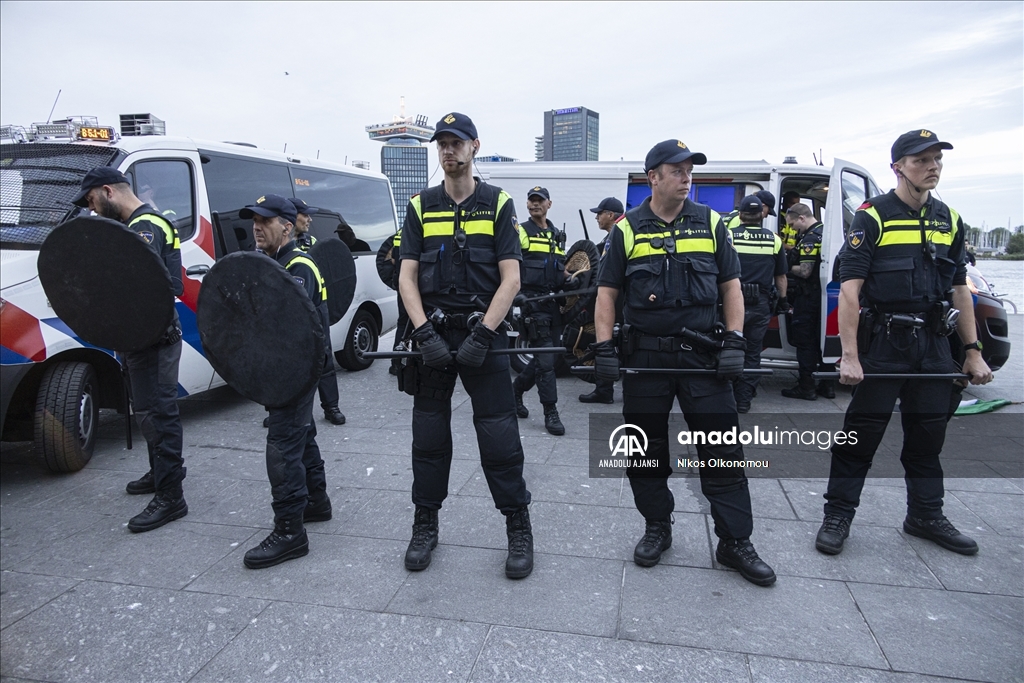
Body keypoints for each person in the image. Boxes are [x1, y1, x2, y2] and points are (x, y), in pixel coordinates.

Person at [593, 140, 776, 587]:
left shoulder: (712, 223)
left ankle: (734, 541)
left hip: (703, 359)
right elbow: (607, 294)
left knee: (722, 451)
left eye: (689, 169)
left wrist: (734, 340)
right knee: (645, 452)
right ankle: (658, 527)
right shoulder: (627, 229)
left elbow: (731, 286)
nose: (686, 176)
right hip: (646, 359)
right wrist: (602, 350)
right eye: (676, 170)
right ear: (652, 176)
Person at [815, 129, 993, 556]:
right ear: (898, 167)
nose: (932, 167)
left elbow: (960, 290)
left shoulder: (949, 219)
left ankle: (925, 515)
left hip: (932, 345)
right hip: (885, 345)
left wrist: (972, 351)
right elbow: (851, 291)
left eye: (937, 160)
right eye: (921, 160)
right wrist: (850, 357)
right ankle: (838, 515)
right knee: (860, 437)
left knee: (927, 438)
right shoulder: (873, 216)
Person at [398, 112, 534, 579]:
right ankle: (425, 525)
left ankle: (518, 526)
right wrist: (423, 333)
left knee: (499, 439)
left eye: (457, 143)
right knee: (429, 440)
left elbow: (511, 278)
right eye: (442, 144)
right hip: (432, 337)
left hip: (484, 337)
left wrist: (484, 334)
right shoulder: (420, 205)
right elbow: (406, 277)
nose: (448, 151)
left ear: (475, 146)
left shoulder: (498, 203)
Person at [72, 167, 188, 533]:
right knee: (148, 411)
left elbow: (149, 285)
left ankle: (171, 497)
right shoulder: (143, 223)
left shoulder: (145, 227)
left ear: (108, 191)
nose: (91, 210)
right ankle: (160, 472)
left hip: (153, 337)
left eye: (92, 201)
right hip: (142, 336)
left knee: (159, 412)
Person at [239, 194, 332, 568]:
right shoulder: (274, 262)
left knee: (282, 446)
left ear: (287, 226)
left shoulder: (297, 266)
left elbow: (282, 325)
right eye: (254, 220)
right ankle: (316, 502)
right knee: (302, 433)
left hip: (293, 371)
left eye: (266, 220)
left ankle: (290, 531)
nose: (257, 227)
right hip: (291, 369)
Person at [511, 186, 566, 436]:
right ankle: (550, 412)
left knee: (549, 358)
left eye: (539, 201)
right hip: (531, 303)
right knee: (546, 363)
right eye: (531, 201)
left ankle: (515, 391)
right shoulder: (521, 231)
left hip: (553, 303)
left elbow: (560, 267)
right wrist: (515, 294)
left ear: (549, 204)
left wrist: (571, 279)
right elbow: (510, 264)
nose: (535, 205)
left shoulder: (556, 234)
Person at [729, 195, 788, 413]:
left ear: (741, 214)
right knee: (753, 352)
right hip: (761, 304)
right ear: (761, 215)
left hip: (731, 303)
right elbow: (781, 276)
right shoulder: (774, 240)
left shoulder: (728, 237)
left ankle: (727, 395)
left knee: (729, 347)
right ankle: (744, 399)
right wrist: (783, 301)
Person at [291, 198, 345, 426]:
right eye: (305, 214)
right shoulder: (274, 247)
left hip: (316, 307)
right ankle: (286, 406)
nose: (309, 219)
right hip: (289, 310)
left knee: (323, 357)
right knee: (289, 360)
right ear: (291, 217)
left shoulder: (311, 243)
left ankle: (331, 406)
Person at [781, 203, 834, 400]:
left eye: (794, 225)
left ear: (802, 218)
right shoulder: (824, 232)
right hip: (823, 297)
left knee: (805, 342)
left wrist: (784, 267)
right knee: (824, 341)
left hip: (809, 298)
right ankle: (828, 386)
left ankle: (806, 387)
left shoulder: (811, 238)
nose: (793, 229)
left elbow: (805, 271)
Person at [578, 196, 624, 404]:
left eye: (599, 213)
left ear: (610, 215)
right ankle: (604, 389)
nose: (597, 217)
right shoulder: (613, 236)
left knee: (607, 342)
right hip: (621, 302)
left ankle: (606, 391)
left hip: (618, 302)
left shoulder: (620, 234)